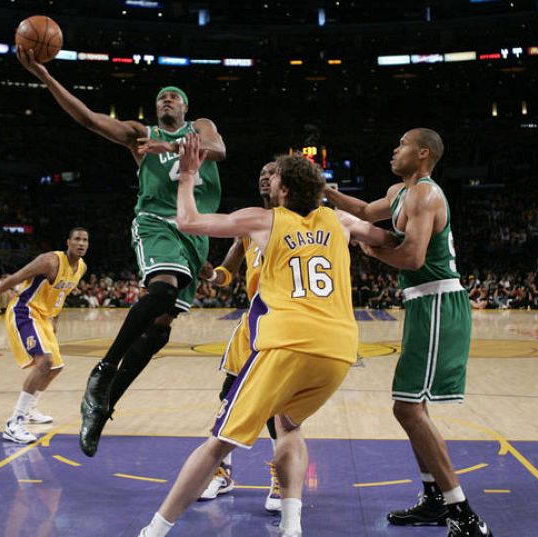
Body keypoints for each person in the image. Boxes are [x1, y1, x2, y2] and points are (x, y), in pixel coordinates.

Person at [137, 135, 391, 537]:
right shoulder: (340, 221)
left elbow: (188, 220)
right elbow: (387, 240)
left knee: (220, 440)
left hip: (285, 340)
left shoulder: (263, 219)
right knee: (288, 427)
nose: (267, 181)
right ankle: (292, 527)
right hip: (339, 349)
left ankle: (154, 530)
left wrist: (187, 176)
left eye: (273, 178)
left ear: (285, 189)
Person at [16, 46, 226, 457]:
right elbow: (89, 119)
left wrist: (171, 148)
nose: (166, 100)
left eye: (173, 96)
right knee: (161, 292)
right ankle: (103, 371)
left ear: (185, 107)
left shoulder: (201, 127)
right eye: (161, 97)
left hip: (195, 229)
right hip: (155, 221)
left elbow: (218, 151)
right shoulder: (139, 134)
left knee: (160, 329)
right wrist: (44, 74)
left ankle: (102, 404)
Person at [325, 128, 492, 537]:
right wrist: (327, 191)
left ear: (422, 153)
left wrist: (372, 249)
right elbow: (365, 212)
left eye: (400, 145)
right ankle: (435, 499)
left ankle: (464, 514)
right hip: (422, 303)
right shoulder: (401, 193)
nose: (393, 150)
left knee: (407, 408)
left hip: (437, 300)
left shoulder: (426, 195)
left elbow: (414, 257)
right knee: (413, 405)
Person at [198, 161, 282, 511]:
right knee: (229, 396)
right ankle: (223, 472)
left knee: (277, 407)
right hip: (253, 321)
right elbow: (226, 274)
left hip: (285, 322)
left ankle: (281, 477)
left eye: (273, 171)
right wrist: (210, 275)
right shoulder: (248, 226)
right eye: (261, 171)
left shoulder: (300, 220)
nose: (264, 175)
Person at [0, 228, 89, 444]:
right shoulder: (50, 261)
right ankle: (14, 422)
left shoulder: (81, 267)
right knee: (44, 362)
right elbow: (15, 278)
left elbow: (61, 295)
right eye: (77, 239)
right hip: (24, 310)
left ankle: (31, 407)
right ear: (68, 242)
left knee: (56, 367)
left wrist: (55, 321)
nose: (81, 243)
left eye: (85, 240)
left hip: (44, 317)